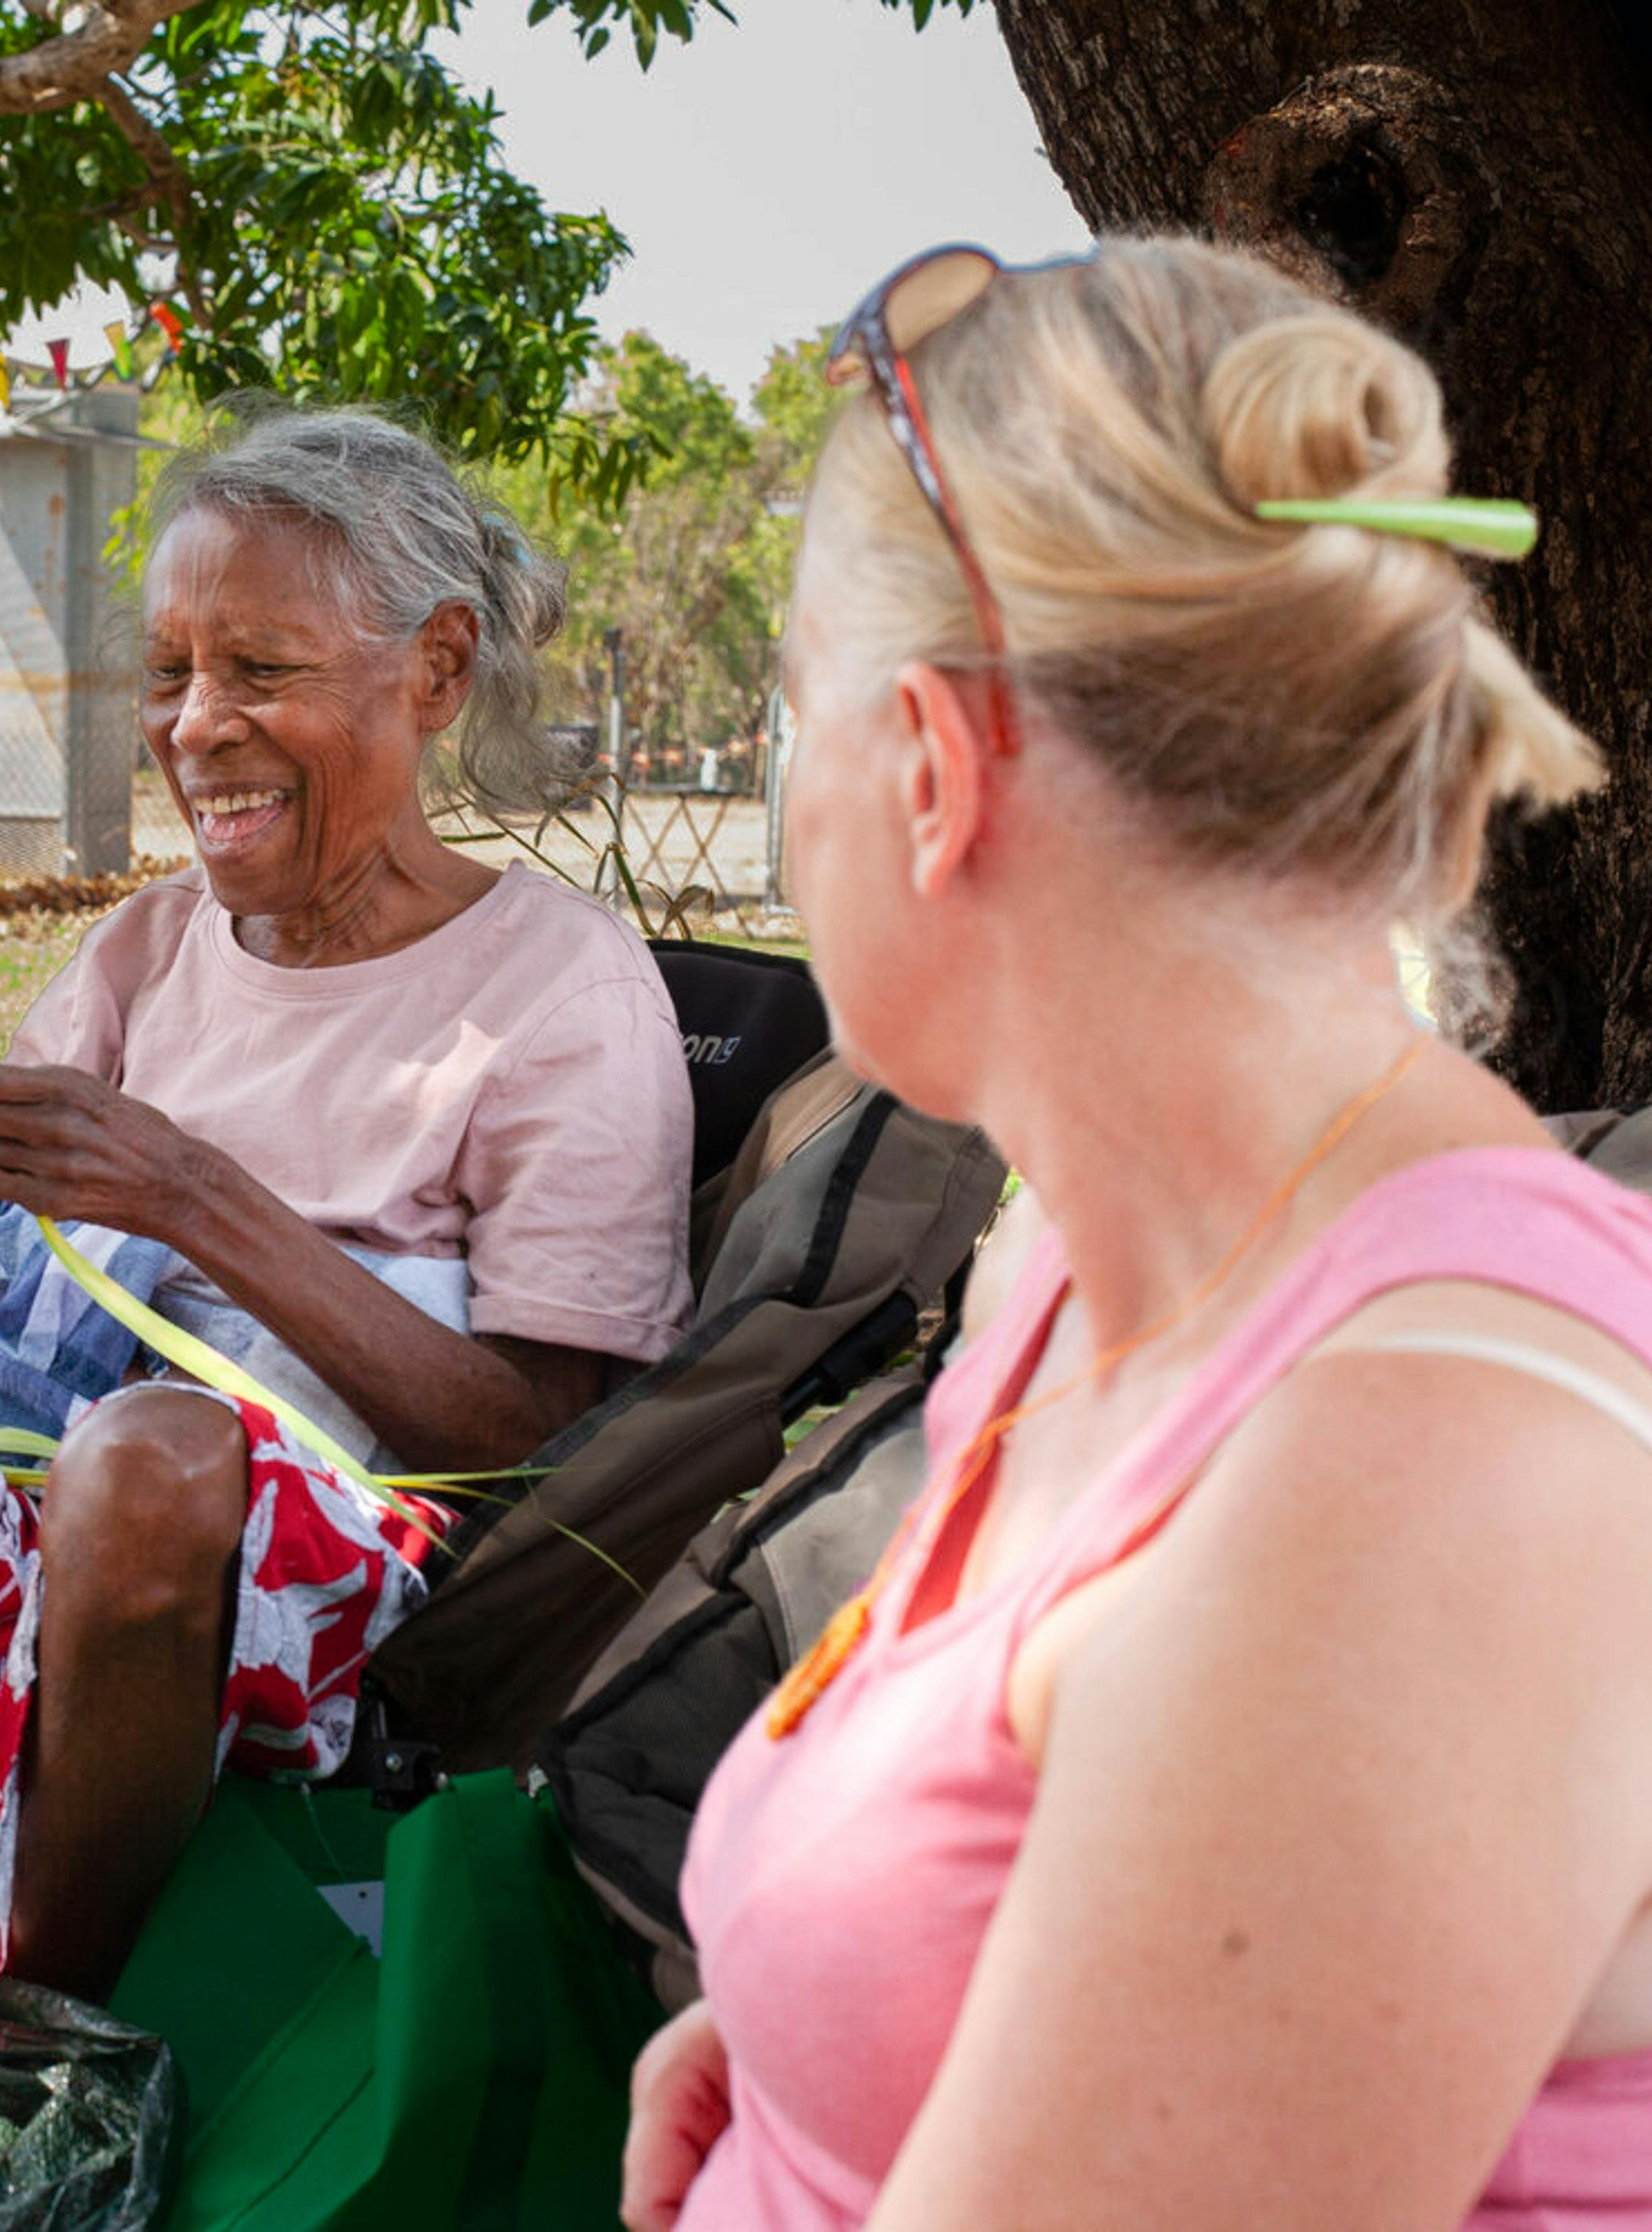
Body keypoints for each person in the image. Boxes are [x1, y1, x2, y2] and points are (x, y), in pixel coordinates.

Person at [621, 237, 1652, 2231]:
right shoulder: (1073, 1268)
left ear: (925, 770)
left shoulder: (1429, 1468)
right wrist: (798, 2032)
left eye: (786, 715)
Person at [0, 406, 698, 2027]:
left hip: (341, 1579)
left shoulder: (561, 990)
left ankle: (17, 2033)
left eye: (261, 671)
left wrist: (191, 1195)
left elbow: (535, 1454)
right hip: (30, 1527)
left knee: (156, 1451)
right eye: (175, 672)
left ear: (438, 670)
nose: (196, 726)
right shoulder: (143, 955)